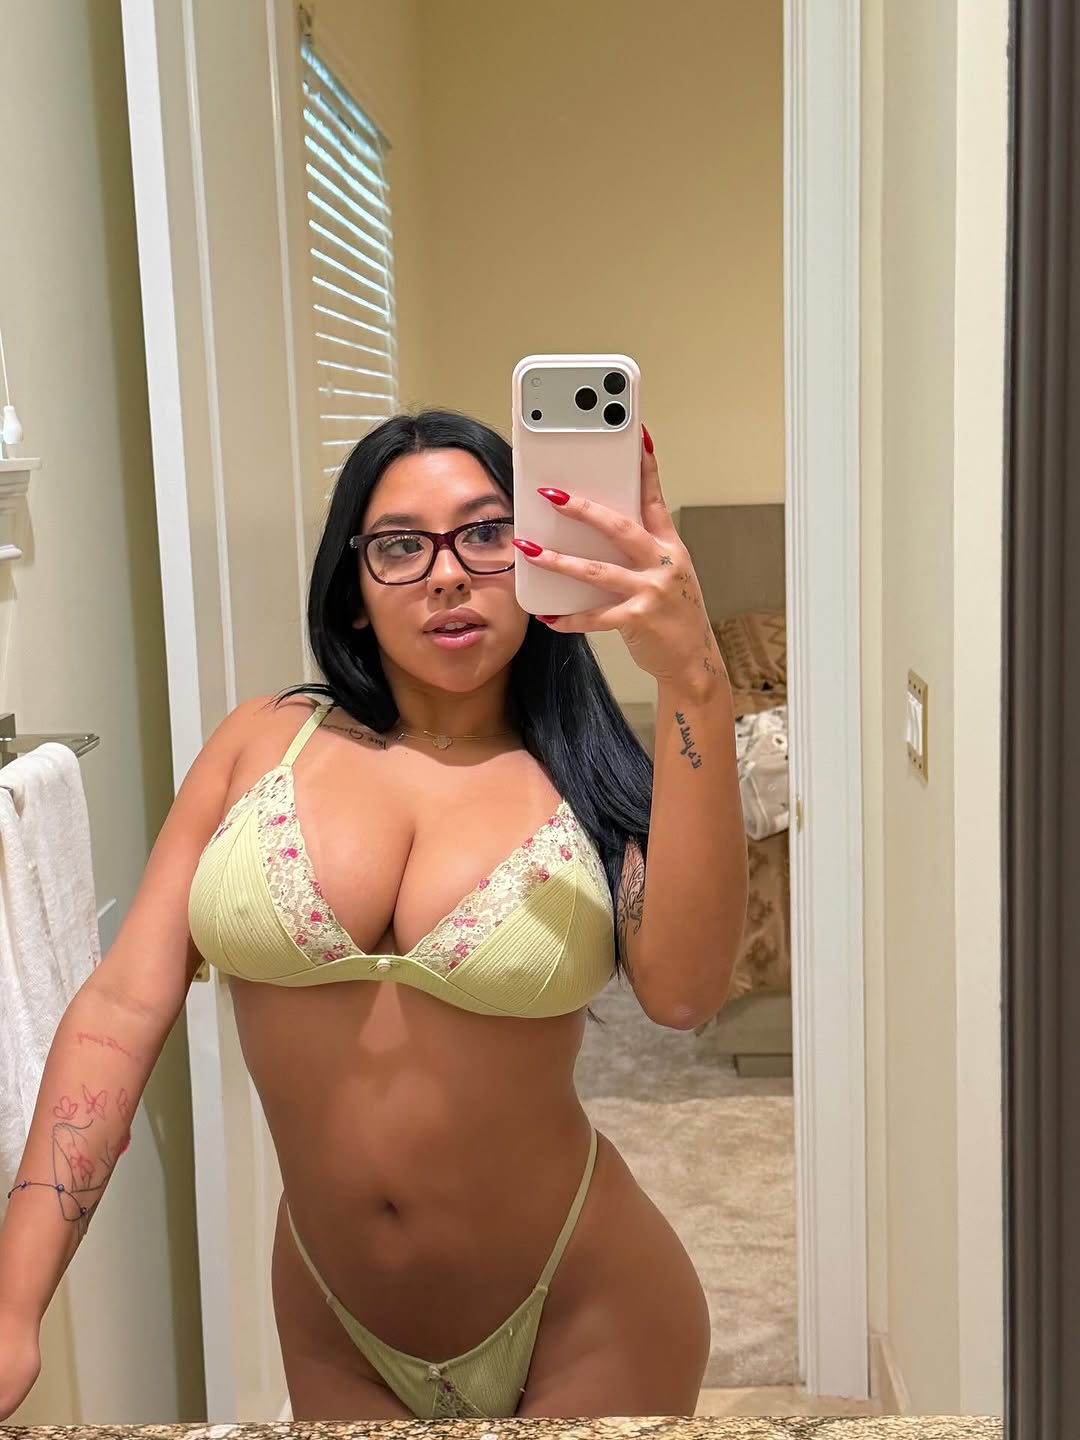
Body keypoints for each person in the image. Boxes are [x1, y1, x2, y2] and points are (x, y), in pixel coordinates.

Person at [0, 410, 748, 1420]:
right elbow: (122, 1010)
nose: (448, 574)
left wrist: (694, 678)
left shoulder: (588, 776)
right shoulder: (261, 744)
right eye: (401, 545)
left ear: (537, 556)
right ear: (352, 590)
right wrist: (14, 1301)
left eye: (485, 533)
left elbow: (686, 993)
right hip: (336, 1326)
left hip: (585, 1306)